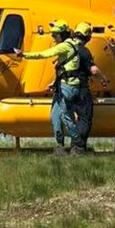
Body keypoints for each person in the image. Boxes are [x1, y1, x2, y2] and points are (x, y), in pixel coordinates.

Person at [13, 19, 82, 156]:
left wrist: (23, 55)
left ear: (62, 35)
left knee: (65, 116)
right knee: (55, 115)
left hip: (68, 87)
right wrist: (54, 82)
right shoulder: (72, 45)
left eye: (55, 35)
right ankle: (59, 146)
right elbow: (64, 68)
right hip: (61, 86)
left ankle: (78, 144)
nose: (53, 38)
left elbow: (44, 54)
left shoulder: (65, 46)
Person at [71, 21, 110, 153]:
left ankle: (72, 145)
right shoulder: (84, 52)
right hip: (80, 88)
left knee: (74, 117)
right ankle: (79, 147)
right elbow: (93, 71)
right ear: (87, 37)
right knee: (85, 117)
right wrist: (103, 79)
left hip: (67, 88)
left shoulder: (67, 48)